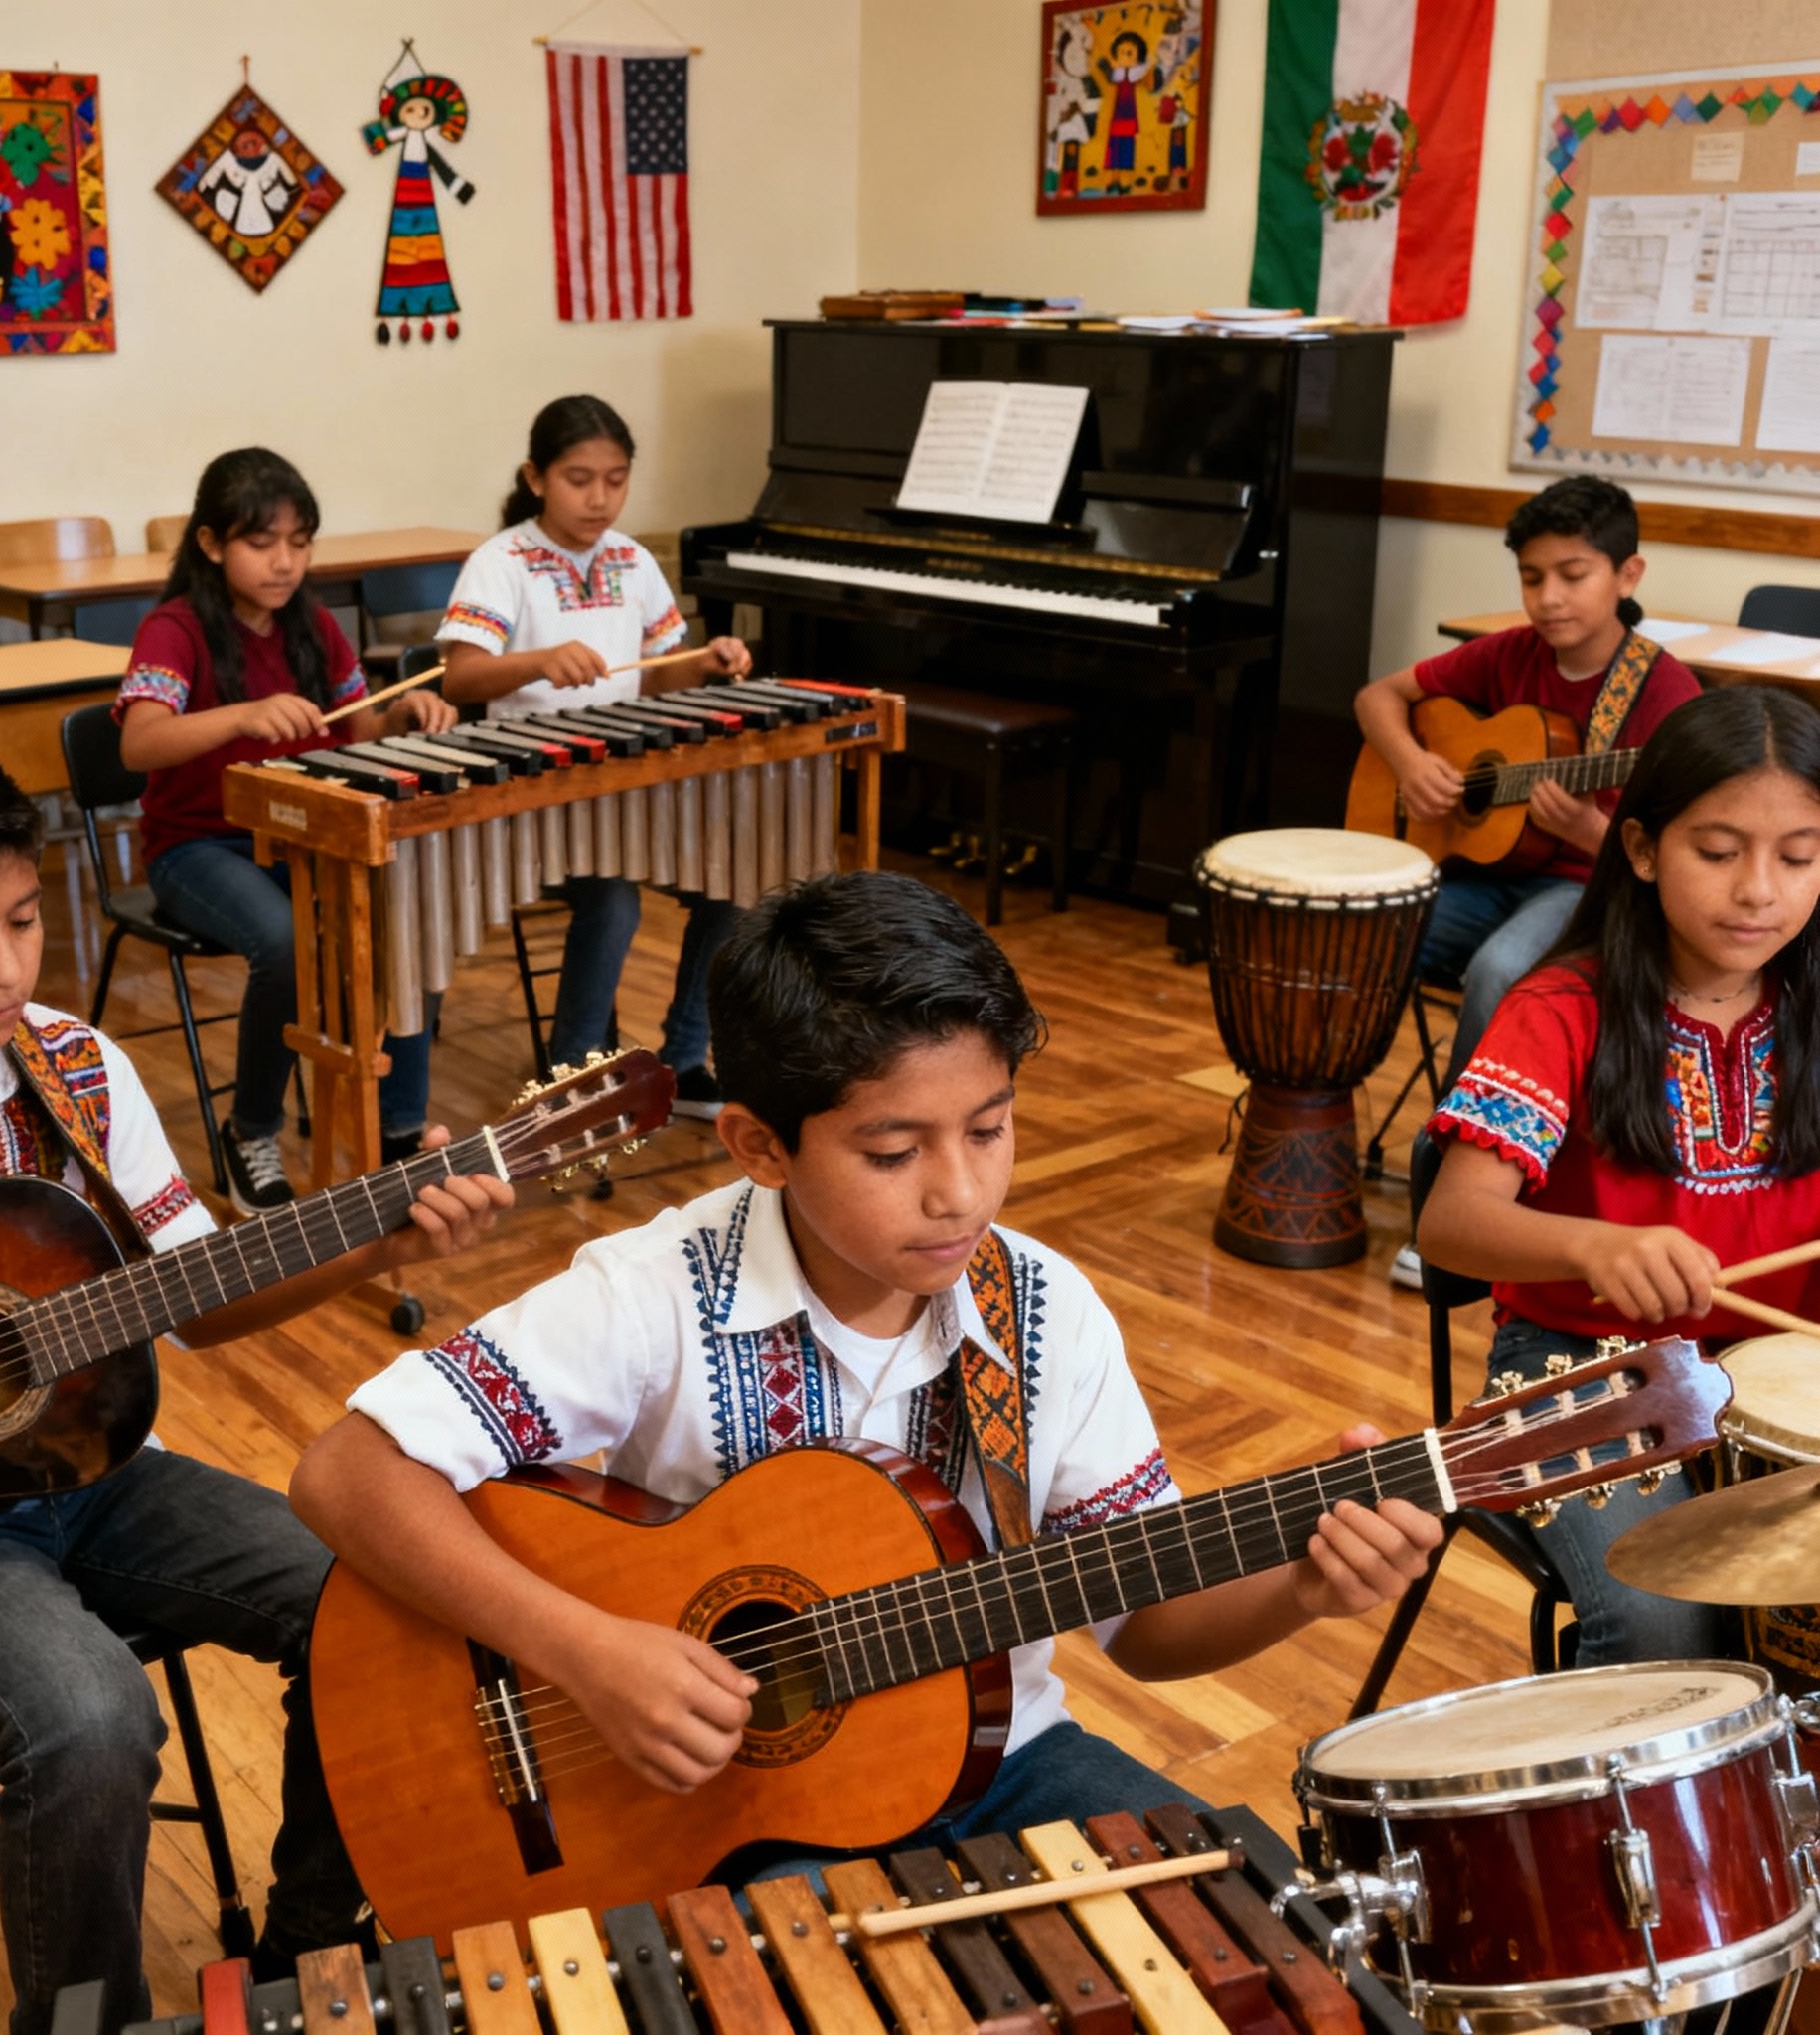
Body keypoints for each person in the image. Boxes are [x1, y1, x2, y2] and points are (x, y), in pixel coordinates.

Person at [292, 871, 1438, 1844]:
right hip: (720, 1808)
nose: (960, 1191)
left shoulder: (1044, 1310)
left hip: (1006, 1763)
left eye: (988, 1128)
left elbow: (1140, 1629)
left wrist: (1301, 1583)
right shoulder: (650, 1296)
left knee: (1260, 1922)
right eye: (894, 1149)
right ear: (757, 1142)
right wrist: (589, 1652)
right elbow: (345, 1471)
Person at [0, 733, 513, 2032]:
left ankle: (300, 1968)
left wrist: (378, 1240)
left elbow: (205, 1302)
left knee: (382, 1592)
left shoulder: (73, 1064)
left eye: (21, 920)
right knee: (88, 1715)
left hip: (90, 1474)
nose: (6, 966)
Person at [1418, 685, 1820, 1667]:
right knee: (1657, 1612)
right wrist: (1590, 1242)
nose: (1757, 889)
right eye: (1717, 851)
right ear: (1638, 849)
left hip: (1780, 1372)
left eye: (1798, 856)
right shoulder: (1562, 1005)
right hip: (1579, 1367)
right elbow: (1449, 1220)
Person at [1356, 477, 1700, 1287]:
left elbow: (1688, 839)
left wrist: (1592, 832)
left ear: (1629, 575)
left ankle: (1458, 1199)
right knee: (1369, 922)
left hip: (1582, 890)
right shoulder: (1509, 654)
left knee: (1506, 974)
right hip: (1480, 873)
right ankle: (1314, 1130)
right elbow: (1379, 696)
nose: (1549, 598)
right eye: (1532, 577)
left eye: (1572, 575)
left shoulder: (1662, 692)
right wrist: (1415, 766)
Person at [120, 446, 459, 1211]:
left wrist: (403, 715)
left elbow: (358, 728)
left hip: (308, 835)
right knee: (286, 944)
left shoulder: (312, 626)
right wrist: (238, 715)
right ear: (211, 544)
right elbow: (139, 742)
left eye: (299, 543)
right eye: (261, 542)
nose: (284, 562)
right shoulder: (174, 629)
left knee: (407, 913)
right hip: (196, 846)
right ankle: (252, 1131)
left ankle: (401, 1130)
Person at [436, 394, 753, 1120]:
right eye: (580, 478)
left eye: (616, 479)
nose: (600, 497)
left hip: (633, 788)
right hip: (532, 794)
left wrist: (711, 661)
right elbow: (460, 677)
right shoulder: (503, 561)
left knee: (735, 879)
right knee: (612, 898)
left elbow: (664, 672)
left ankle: (687, 1059)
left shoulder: (632, 559)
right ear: (537, 477)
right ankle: (571, 1078)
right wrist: (538, 661)